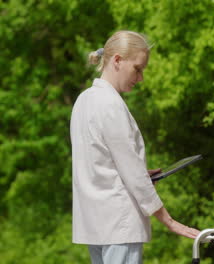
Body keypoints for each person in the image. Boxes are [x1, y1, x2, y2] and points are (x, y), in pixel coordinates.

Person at [70, 30, 199, 264]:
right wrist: (170, 222)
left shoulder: (83, 100)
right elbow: (132, 175)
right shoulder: (111, 104)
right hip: (119, 223)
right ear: (117, 60)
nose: (140, 78)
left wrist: (138, 173)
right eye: (137, 69)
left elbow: (97, 164)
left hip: (94, 223)